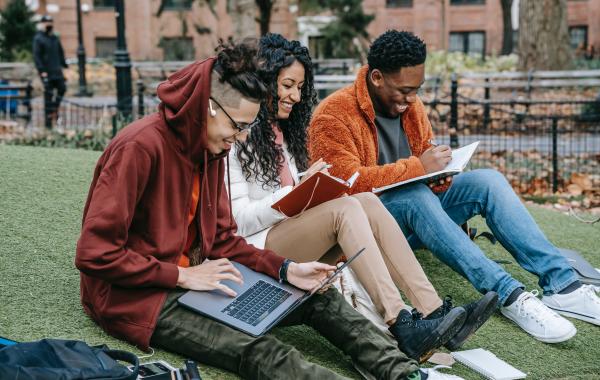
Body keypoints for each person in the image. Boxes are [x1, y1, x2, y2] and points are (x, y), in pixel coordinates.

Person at [75, 38, 456, 380]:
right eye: (237, 126)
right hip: (142, 298)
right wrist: (179, 275)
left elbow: (224, 238)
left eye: (246, 128)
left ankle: (407, 374)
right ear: (208, 108)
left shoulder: (209, 148)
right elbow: (94, 254)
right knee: (258, 350)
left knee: (317, 296)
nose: (239, 138)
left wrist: (288, 269)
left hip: (206, 277)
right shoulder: (138, 148)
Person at [308, 30, 600, 343]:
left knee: (488, 180)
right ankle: (510, 296)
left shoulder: (411, 104)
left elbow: (424, 156)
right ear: (377, 77)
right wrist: (419, 169)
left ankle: (563, 286)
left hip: (418, 209)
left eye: (416, 89)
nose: (411, 99)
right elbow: (342, 187)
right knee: (412, 194)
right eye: (404, 90)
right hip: (371, 227)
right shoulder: (332, 114)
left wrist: (439, 174)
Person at [227, 33, 497, 362]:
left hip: (293, 232)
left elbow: (302, 196)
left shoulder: (288, 133)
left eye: (299, 87)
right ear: (263, 80)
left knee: (365, 201)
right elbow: (238, 221)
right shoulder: (234, 134)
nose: (295, 96)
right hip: (258, 248)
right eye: (287, 86)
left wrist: (310, 189)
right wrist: (296, 193)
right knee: (345, 208)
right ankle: (400, 322)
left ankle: (431, 311)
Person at [32, 14, 67, 129]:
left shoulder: (55, 38)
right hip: (46, 72)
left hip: (57, 71)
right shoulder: (38, 38)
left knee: (62, 88)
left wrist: (64, 66)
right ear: (42, 23)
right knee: (48, 95)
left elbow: (60, 53)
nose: (49, 24)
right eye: (46, 22)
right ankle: (48, 124)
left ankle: (54, 109)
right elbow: (37, 56)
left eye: (50, 21)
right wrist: (42, 71)